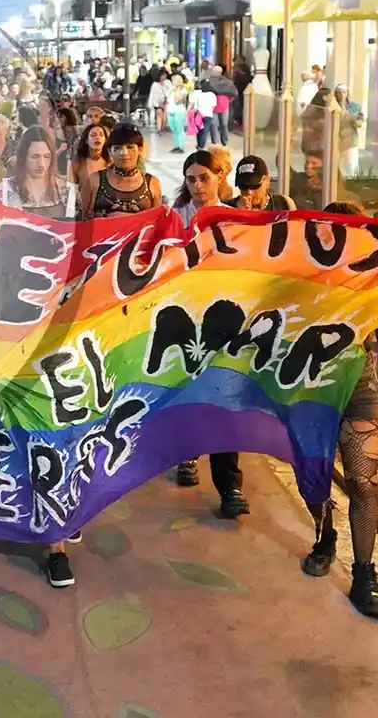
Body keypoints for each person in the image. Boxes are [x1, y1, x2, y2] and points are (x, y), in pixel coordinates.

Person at [299, 200, 378, 617]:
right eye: (331, 233)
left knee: (364, 483)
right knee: (313, 477)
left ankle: (365, 574)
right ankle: (325, 537)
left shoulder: (375, 274)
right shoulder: (301, 277)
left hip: (358, 387)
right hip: (310, 389)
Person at [168, 151, 250, 518]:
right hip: (184, 316)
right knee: (187, 390)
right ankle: (186, 450)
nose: (198, 185)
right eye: (191, 179)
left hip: (224, 320)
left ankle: (230, 486)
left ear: (220, 177)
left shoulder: (235, 219)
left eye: (204, 177)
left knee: (223, 400)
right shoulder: (174, 218)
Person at [77, 124, 164, 218]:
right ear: (110, 151)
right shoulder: (94, 180)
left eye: (130, 147)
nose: (124, 153)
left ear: (140, 149)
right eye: (117, 148)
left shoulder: (152, 183)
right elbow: (82, 219)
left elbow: (158, 221)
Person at [0, 127, 75, 218]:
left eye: (46, 156)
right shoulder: (5, 190)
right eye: (35, 157)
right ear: (23, 157)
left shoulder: (67, 191)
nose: (41, 164)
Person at [225, 155, 294, 211]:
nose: (249, 192)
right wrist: (238, 214)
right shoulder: (227, 208)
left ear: (267, 181)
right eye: (243, 186)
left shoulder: (284, 204)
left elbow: (295, 224)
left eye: (254, 186)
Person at [164, 74, 189, 153]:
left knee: (179, 129)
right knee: (174, 129)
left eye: (173, 81)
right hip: (170, 110)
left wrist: (176, 90)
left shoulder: (183, 90)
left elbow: (177, 100)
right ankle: (176, 146)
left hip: (179, 111)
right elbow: (167, 99)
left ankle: (180, 147)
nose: (172, 83)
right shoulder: (170, 90)